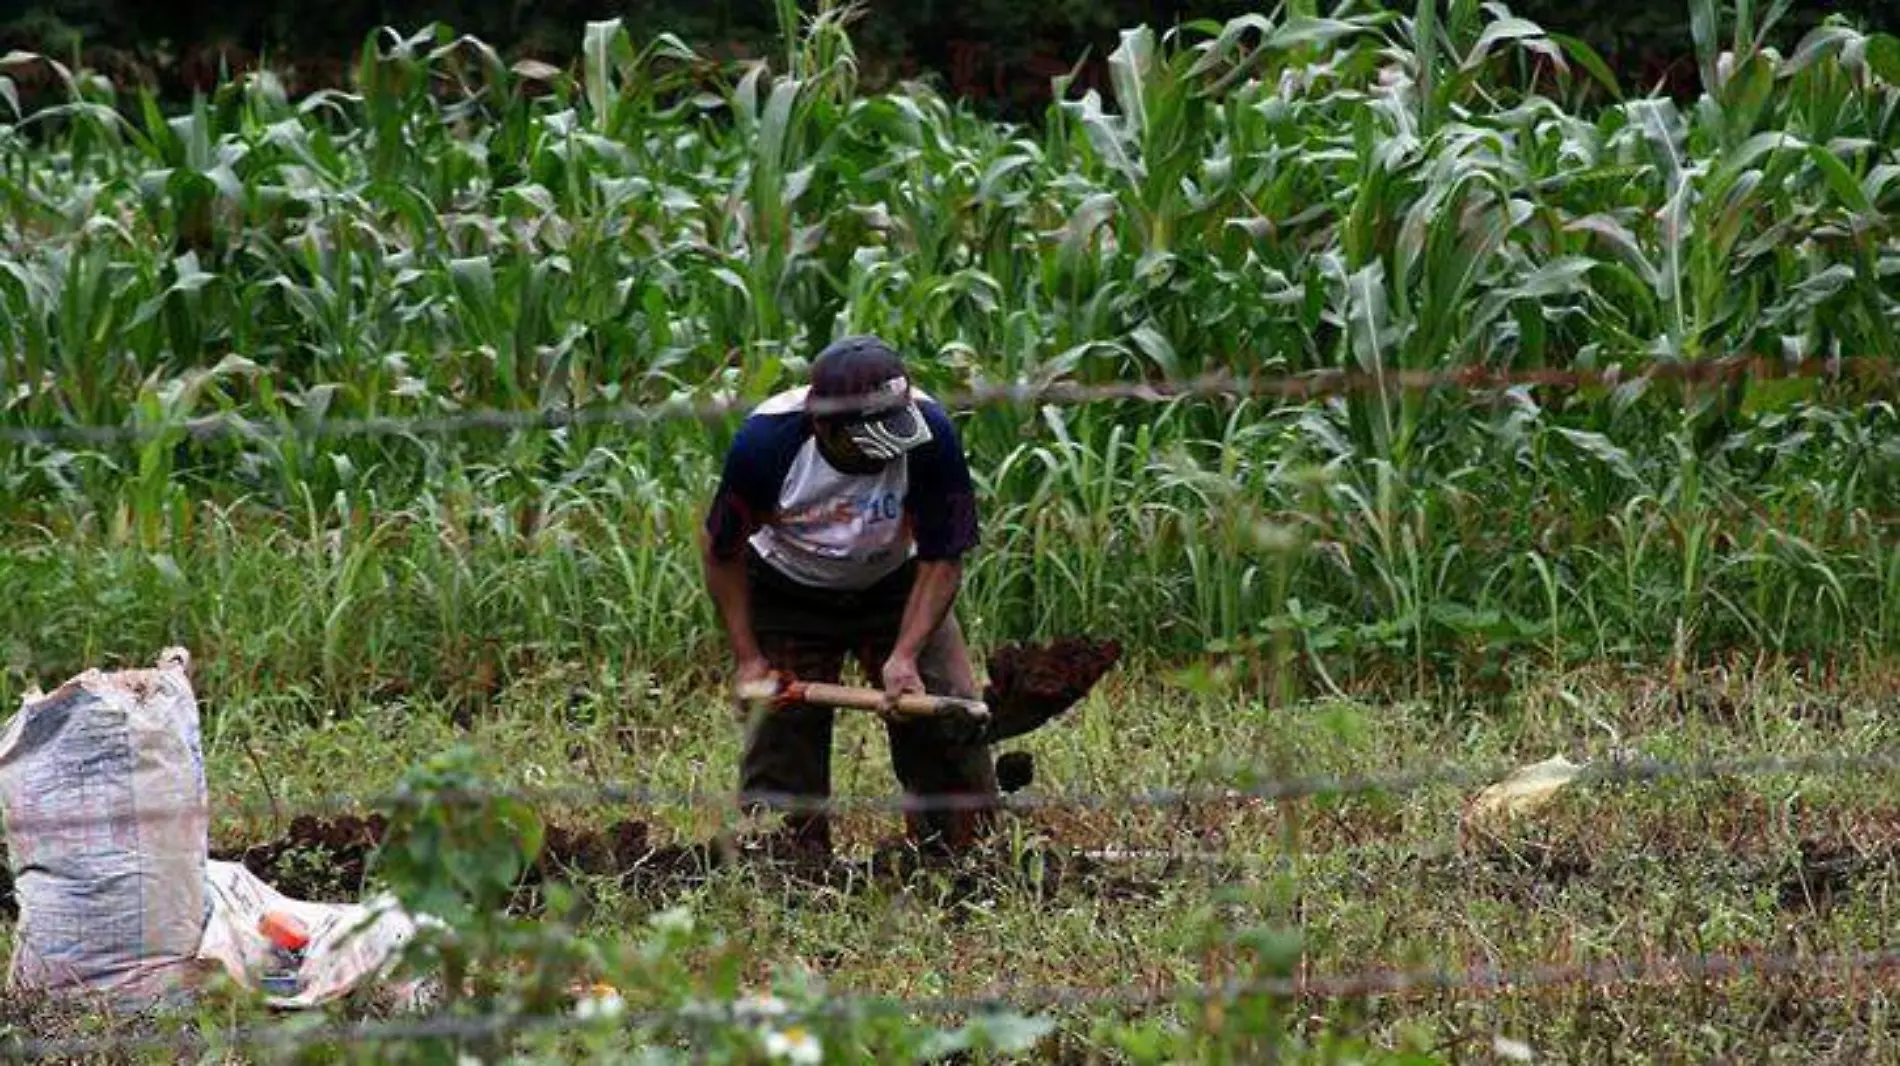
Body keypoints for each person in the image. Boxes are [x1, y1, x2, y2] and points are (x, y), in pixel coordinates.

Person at [699, 335, 999, 858]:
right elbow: (722, 550)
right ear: (823, 425)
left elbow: (942, 559)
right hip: (787, 588)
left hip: (896, 587)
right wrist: (748, 658)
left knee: (945, 713)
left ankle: (961, 856)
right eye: (868, 440)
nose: (887, 454)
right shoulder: (765, 444)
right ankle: (788, 865)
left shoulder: (931, 435)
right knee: (780, 739)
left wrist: (904, 655)